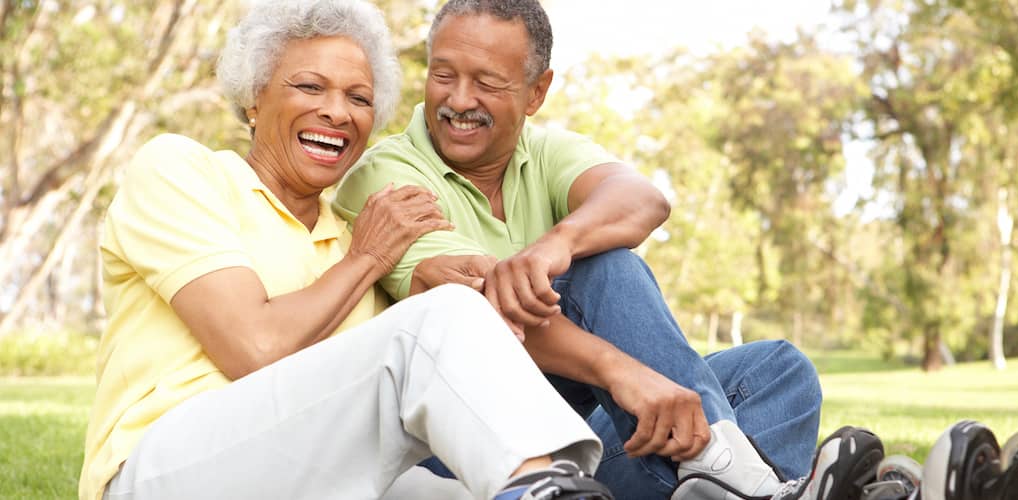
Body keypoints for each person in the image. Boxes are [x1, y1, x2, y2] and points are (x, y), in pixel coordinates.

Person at [333, 1, 884, 499]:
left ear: (536, 92)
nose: (458, 100)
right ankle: (740, 476)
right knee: (604, 272)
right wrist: (623, 372)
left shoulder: (543, 152)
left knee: (780, 371)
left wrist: (555, 243)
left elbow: (642, 200)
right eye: (443, 75)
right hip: (457, 447)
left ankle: (724, 483)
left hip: (567, 438)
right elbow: (476, 313)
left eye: (487, 83)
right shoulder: (386, 176)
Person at [78, 1, 616, 499]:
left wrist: (472, 287)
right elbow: (254, 348)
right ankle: (541, 491)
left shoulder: (352, 234)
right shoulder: (182, 170)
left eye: (359, 98)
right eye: (310, 87)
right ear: (254, 96)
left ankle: (544, 485)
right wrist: (370, 261)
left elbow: (384, 379)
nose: (337, 112)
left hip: (303, 471)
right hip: (162, 471)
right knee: (444, 317)